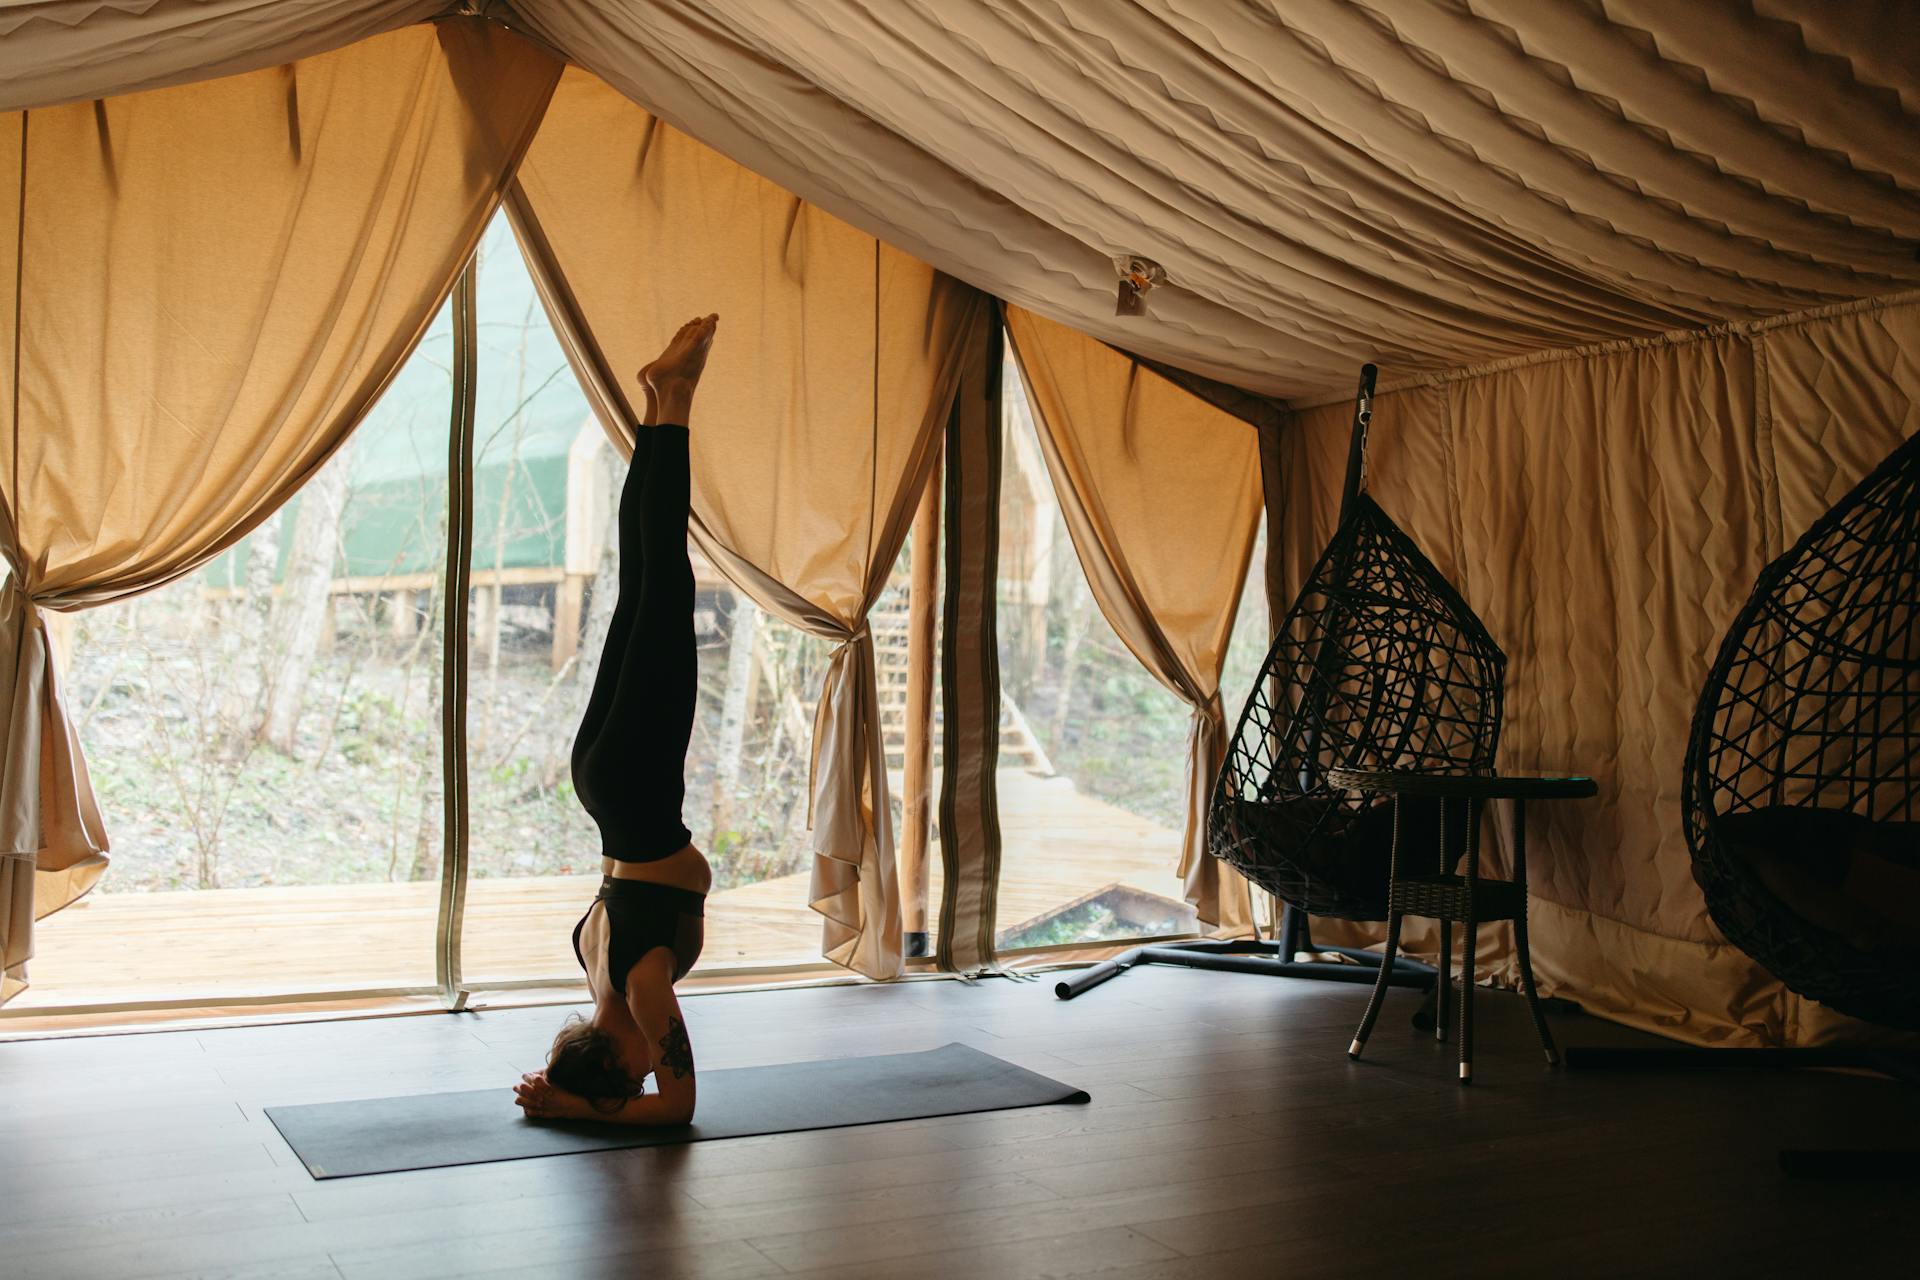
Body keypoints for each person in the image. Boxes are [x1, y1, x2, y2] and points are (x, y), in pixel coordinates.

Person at [513, 314, 719, 1126]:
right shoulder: (594, 967)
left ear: (619, 1058)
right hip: (599, 789)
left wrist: (574, 1109)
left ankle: (673, 400)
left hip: (635, 789)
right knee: (645, 582)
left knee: (663, 578)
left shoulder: (640, 988)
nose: (648, 1072)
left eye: (628, 1076)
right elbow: (629, 1075)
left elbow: (681, 1109)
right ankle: (663, 402)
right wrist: (563, 1083)